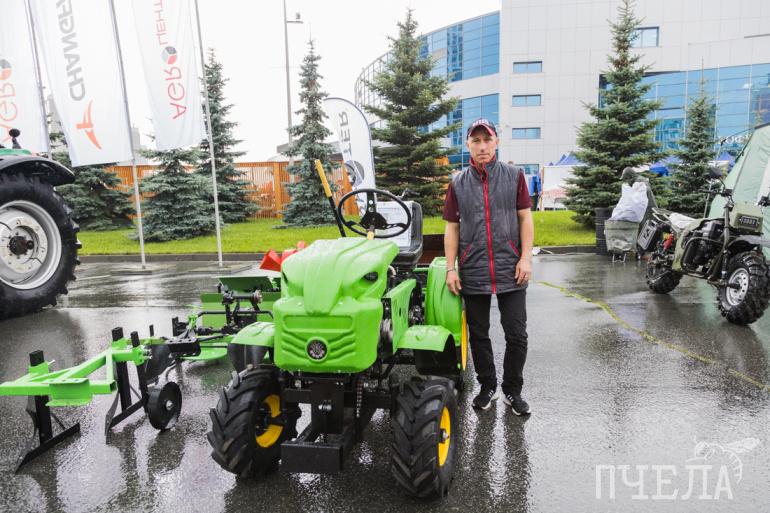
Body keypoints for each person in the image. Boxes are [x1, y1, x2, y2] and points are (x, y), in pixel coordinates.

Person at [443, 118, 535, 415]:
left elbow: (525, 218)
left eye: (487, 140)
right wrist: (450, 268)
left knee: (516, 334)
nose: (482, 146)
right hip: (474, 267)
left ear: (496, 142)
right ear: (468, 145)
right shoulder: (457, 183)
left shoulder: (514, 176)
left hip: (512, 266)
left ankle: (512, 390)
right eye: (476, 141)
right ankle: (488, 386)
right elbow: (452, 227)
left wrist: (525, 258)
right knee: (478, 334)